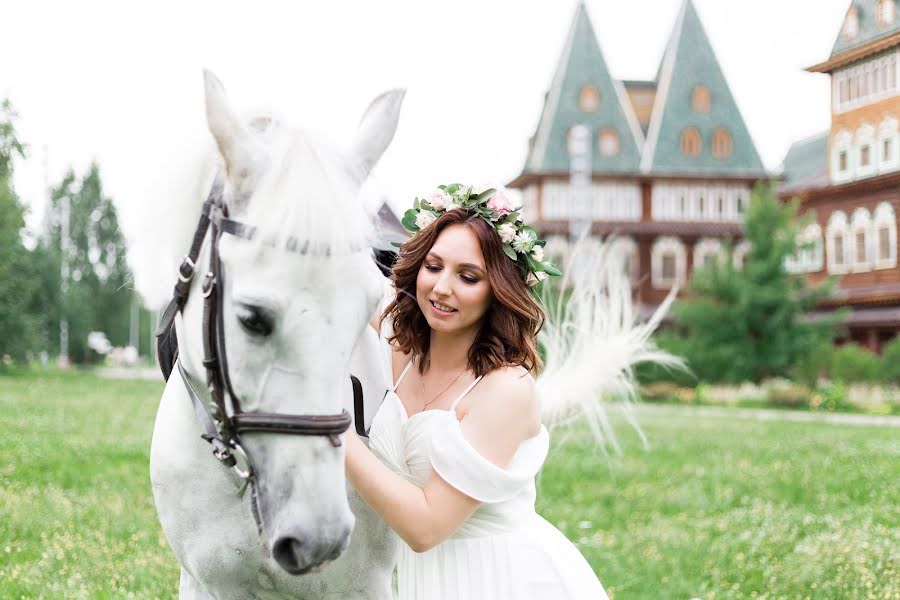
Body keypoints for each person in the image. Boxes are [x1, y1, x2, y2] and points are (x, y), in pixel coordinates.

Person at [343, 184, 609, 599]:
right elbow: (341, 283)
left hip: (505, 580)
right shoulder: (404, 348)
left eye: (468, 277)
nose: (442, 288)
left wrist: (332, 437)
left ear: (497, 291)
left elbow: (426, 527)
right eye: (433, 267)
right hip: (429, 585)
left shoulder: (506, 389)